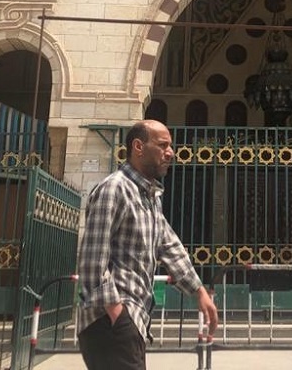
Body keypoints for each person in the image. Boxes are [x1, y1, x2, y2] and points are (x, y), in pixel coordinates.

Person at [77, 119, 219, 370]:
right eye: (163, 145)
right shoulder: (114, 189)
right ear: (138, 147)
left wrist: (199, 291)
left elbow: (169, 245)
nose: (170, 152)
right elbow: (92, 261)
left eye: (171, 146)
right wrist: (117, 314)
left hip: (131, 321)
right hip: (109, 322)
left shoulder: (150, 197)